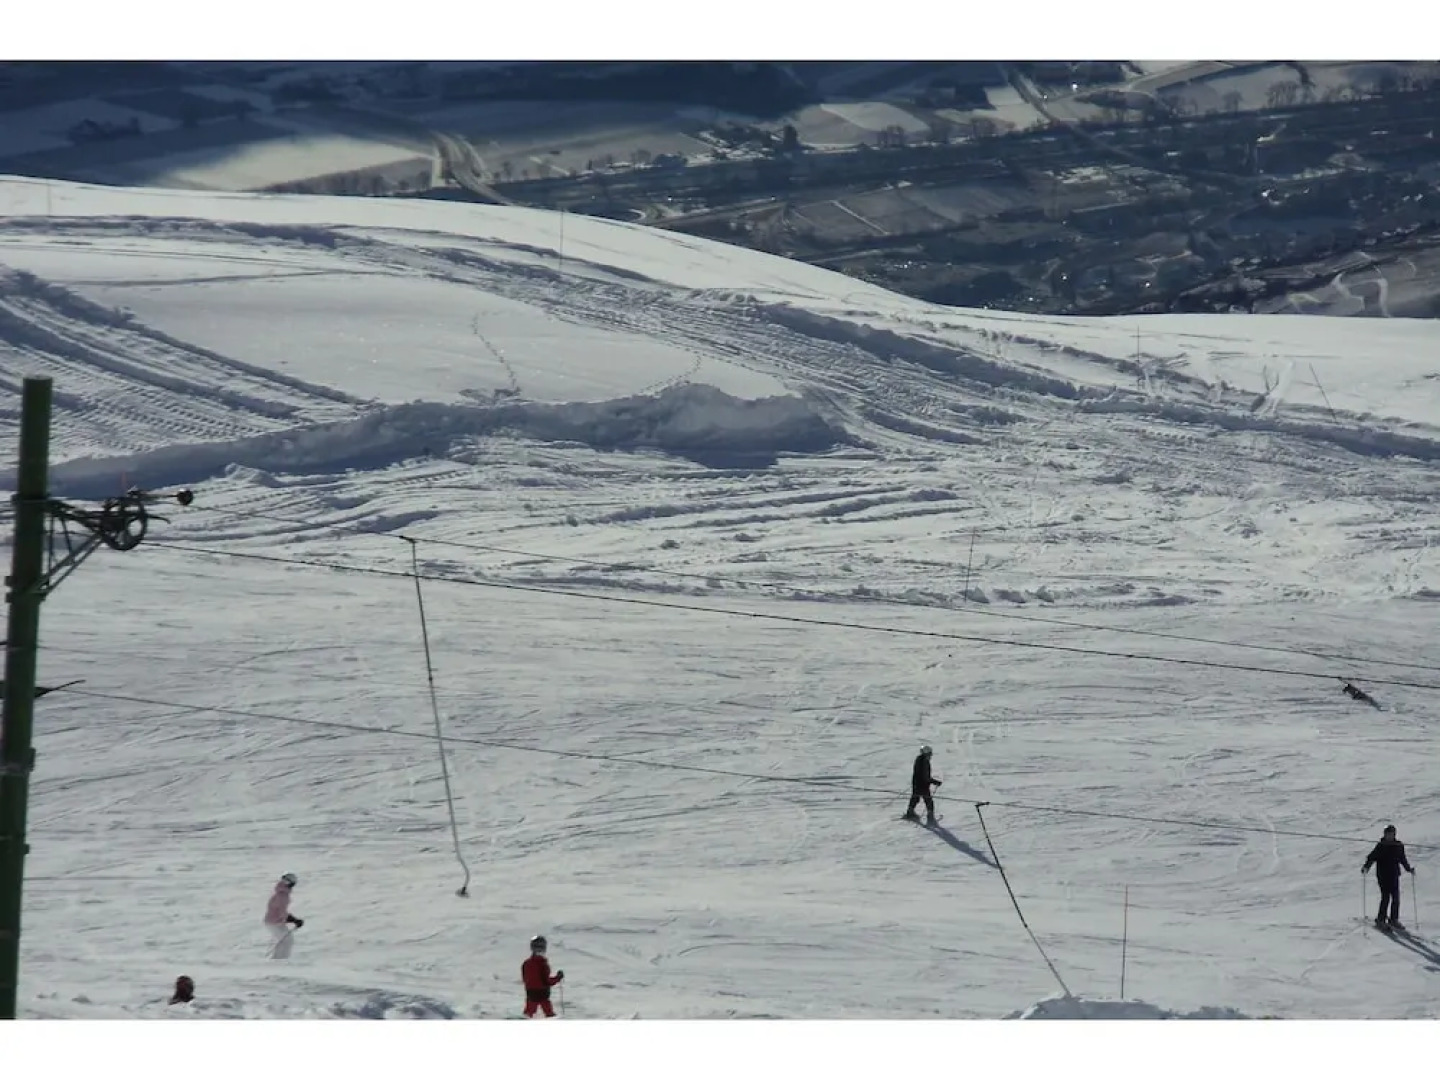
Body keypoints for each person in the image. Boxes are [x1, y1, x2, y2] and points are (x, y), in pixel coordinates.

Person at [1362, 824, 1415, 930]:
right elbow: (1371, 857)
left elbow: (1402, 859)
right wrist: (1366, 867)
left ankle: (1393, 919)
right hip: (1383, 875)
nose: (1389, 836)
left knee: (1396, 898)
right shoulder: (1381, 845)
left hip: (1394, 874)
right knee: (1385, 897)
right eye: (1387, 834)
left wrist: (1408, 869)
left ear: (1394, 834)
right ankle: (1381, 919)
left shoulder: (1398, 845)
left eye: (1391, 834)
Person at [521, 934, 565, 1018]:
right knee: (549, 1014)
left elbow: (525, 979)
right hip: (542, 994)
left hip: (531, 993)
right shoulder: (543, 964)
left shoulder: (526, 963)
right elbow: (547, 981)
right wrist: (558, 977)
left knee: (528, 1014)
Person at [263, 872, 305, 958]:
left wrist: (293, 920)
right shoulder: (282, 896)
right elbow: (282, 912)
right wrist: (294, 920)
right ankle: (280, 960)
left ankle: (278, 959)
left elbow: (280, 911)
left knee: (285, 940)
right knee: (287, 940)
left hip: (272, 921)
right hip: (274, 922)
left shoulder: (280, 893)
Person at [904, 744, 942, 825]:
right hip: (923, 784)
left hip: (916, 783)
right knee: (928, 800)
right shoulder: (925, 761)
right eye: (930, 754)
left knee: (915, 797)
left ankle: (910, 812)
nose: (930, 756)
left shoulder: (919, 759)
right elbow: (925, 777)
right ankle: (930, 815)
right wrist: (935, 782)